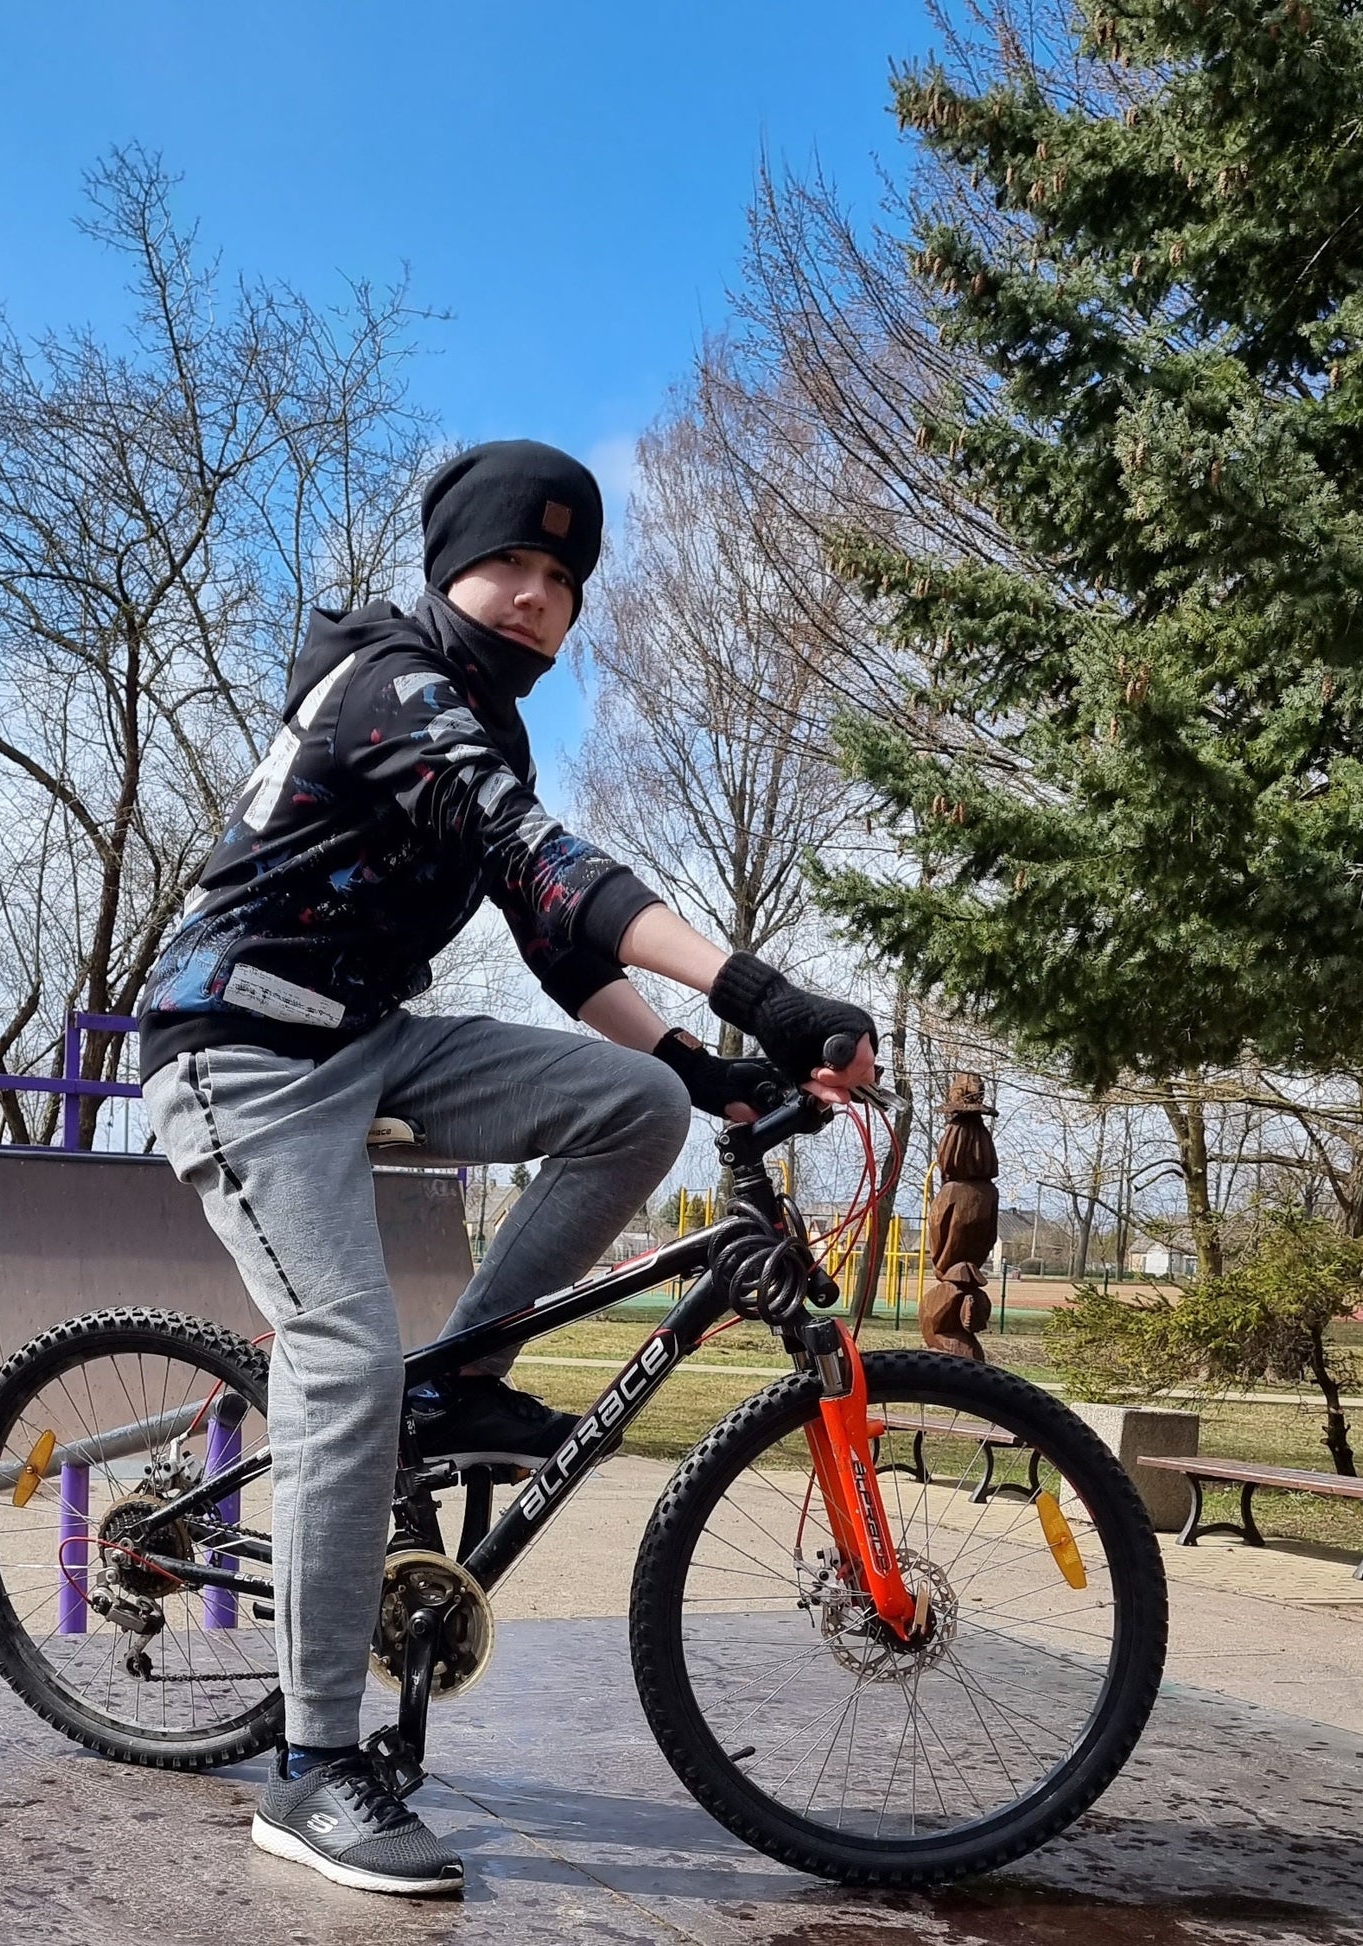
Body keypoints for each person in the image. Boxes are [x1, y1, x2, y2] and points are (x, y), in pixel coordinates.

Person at [137, 439, 876, 1897]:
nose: (537, 595)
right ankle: (311, 1766)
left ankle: (459, 1378)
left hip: (368, 1036)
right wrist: (762, 994)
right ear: (446, 570)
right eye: (509, 565)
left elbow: (561, 944)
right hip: (237, 1046)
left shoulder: (489, 725)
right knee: (343, 1353)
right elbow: (546, 859)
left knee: (628, 1106)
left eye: (562, 578)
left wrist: (698, 1067)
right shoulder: (389, 684)